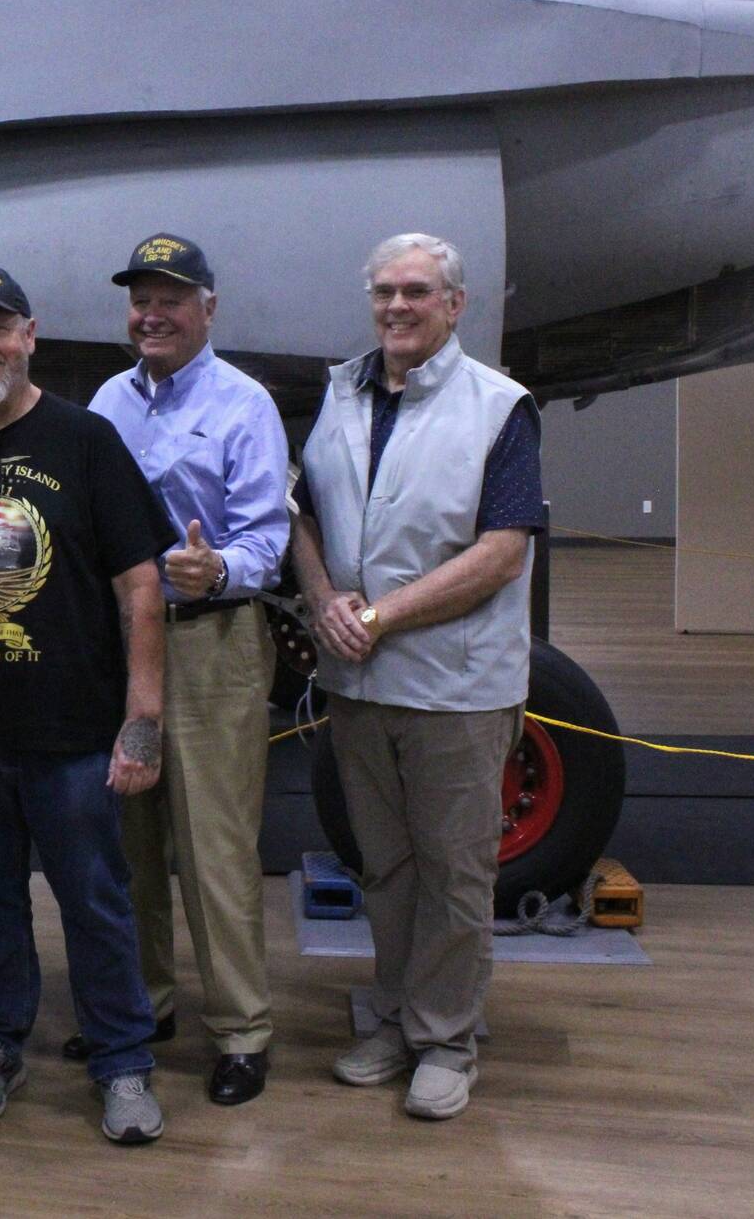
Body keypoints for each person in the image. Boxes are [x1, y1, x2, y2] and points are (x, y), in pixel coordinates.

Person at [0, 266, 172, 1144]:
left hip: (74, 729)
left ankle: (122, 1061)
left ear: (30, 333)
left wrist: (143, 720)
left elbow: (141, 586)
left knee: (95, 895)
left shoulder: (85, 440)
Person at [291, 233, 544, 1122]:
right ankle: (396, 1018)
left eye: (416, 292)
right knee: (388, 869)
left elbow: (503, 553)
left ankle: (447, 1040)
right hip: (358, 686)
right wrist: (321, 595)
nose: (397, 306)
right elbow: (304, 512)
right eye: (384, 291)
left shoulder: (499, 406)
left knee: (455, 871)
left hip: (456, 691)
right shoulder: (342, 393)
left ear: (455, 303)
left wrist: (382, 616)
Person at [85, 233, 290, 1106]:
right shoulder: (106, 400)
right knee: (127, 836)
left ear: (208, 307)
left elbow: (269, 541)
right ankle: (145, 1005)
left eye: (172, 298)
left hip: (212, 638)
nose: (152, 313)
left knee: (212, 846)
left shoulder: (246, 404)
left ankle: (241, 1029)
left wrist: (221, 570)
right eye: (141, 298)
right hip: (120, 634)